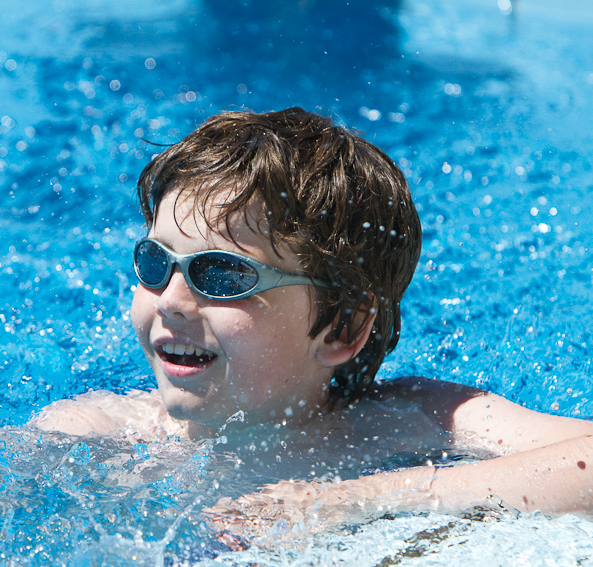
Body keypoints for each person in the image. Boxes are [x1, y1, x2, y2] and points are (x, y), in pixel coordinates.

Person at [30, 107, 593, 547]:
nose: (172, 302)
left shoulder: (411, 421)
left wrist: (361, 498)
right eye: (156, 263)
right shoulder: (92, 435)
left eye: (222, 275)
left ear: (341, 328)